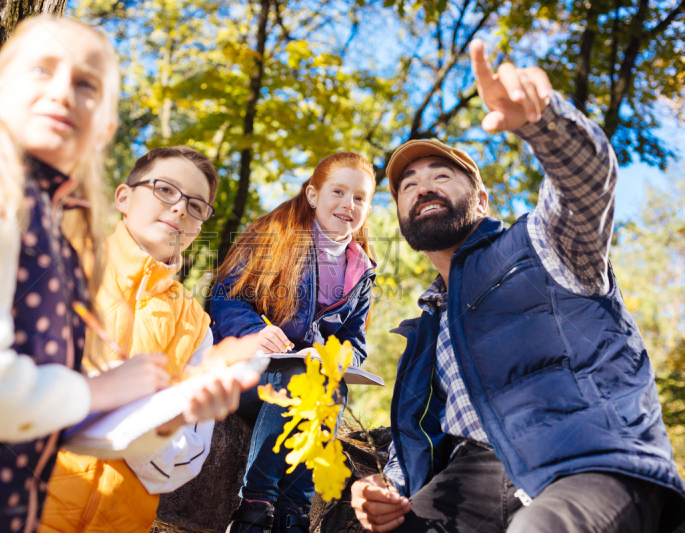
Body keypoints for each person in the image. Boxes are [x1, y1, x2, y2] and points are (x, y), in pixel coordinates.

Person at [0, 16, 254, 533]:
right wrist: (104, 390)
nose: (62, 91)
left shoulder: (54, 242)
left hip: (17, 511)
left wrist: (170, 414)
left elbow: (66, 426)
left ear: (103, 126)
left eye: (87, 85)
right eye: (41, 68)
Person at [350, 38, 685, 533]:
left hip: (586, 457)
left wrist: (542, 122)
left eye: (441, 175)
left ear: (481, 199)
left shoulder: (541, 245)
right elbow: (419, 445)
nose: (422, 187)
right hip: (472, 479)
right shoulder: (427, 332)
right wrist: (381, 493)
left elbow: (586, 182)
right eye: (407, 185)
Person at [39, 146, 257, 532]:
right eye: (165, 189)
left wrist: (166, 422)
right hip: (21, 509)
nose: (179, 209)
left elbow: (185, 461)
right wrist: (132, 412)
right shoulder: (62, 264)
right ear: (124, 197)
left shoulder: (196, 325)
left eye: (196, 206)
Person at [211, 152, 377, 533]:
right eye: (338, 191)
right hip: (250, 375)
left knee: (325, 384)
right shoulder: (274, 237)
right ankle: (255, 506)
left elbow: (354, 341)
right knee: (300, 377)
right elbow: (223, 297)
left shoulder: (362, 270)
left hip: (308, 389)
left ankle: (293, 515)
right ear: (313, 195)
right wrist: (254, 332)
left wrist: (337, 357)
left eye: (360, 198)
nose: (348, 204)